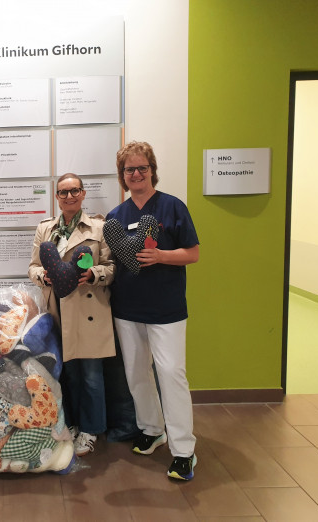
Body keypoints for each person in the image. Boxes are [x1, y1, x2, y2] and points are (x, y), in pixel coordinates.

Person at [106, 141, 200, 480]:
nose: (136, 174)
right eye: (129, 169)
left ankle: (184, 450)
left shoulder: (172, 207)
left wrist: (161, 256)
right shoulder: (116, 218)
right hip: (127, 308)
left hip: (167, 309)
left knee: (171, 374)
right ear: (123, 175)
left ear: (151, 170)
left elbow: (193, 253)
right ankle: (151, 429)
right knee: (136, 373)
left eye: (141, 167)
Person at [28, 173, 116, 456]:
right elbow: (33, 267)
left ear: (83, 193)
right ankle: (74, 424)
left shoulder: (99, 228)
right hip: (57, 310)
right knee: (67, 374)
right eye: (63, 192)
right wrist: (45, 276)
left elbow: (112, 267)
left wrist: (93, 274)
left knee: (91, 374)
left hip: (89, 309)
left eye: (74, 191)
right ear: (56, 196)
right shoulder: (45, 229)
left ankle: (92, 430)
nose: (69, 197)